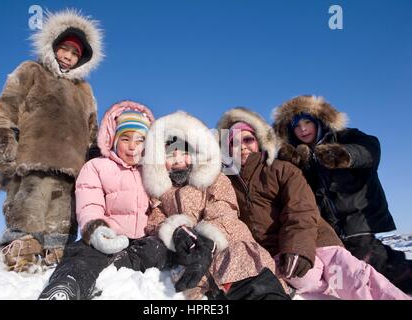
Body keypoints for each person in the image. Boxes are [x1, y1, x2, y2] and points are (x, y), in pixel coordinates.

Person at [217, 107, 410, 299]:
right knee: (313, 282)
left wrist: (345, 155)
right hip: (290, 245)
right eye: (233, 142)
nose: (241, 146)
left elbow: (300, 206)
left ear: (259, 141)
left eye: (248, 139)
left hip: (331, 231)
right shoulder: (227, 182)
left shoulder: (281, 168)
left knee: (356, 275)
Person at [0, 10, 104, 272]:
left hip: (72, 170)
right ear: (52, 46)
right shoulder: (31, 71)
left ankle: (54, 255)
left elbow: (92, 130)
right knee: (29, 209)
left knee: (61, 220)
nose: (68, 57)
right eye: (64, 49)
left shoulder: (84, 91)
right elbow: (4, 109)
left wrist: (94, 159)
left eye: (75, 54)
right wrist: (0, 137)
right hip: (33, 160)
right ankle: (21, 250)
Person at [141, 111, 290, 300]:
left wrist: (208, 240)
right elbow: (156, 220)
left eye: (185, 152)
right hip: (192, 259)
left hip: (229, 245)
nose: (178, 159)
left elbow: (224, 209)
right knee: (198, 289)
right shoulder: (161, 193)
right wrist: (176, 232)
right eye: (171, 154)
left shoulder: (214, 179)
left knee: (244, 267)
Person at [272, 95, 412, 294]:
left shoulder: (344, 136)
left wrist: (345, 155)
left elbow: (371, 150)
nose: (302, 129)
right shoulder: (296, 157)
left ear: (319, 120)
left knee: (374, 261)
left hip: (358, 218)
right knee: (346, 269)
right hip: (328, 228)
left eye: (307, 122)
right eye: (296, 126)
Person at [38, 100, 175, 300]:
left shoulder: (154, 172)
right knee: (84, 255)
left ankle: (116, 268)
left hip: (142, 240)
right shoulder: (97, 167)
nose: (132, 147)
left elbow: (164, 205)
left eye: (139, 141)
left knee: (156, 251)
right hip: (107, 234)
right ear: (113, 139)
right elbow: (90, 203)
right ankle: (67, 285)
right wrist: (97, 230)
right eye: (125, 139)